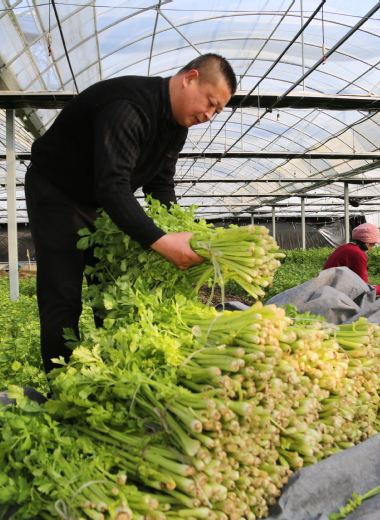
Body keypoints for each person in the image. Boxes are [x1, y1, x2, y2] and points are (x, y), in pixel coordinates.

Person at [25, 54, 237, 374]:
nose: (208, 115)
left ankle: (110, 375)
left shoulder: (176, 127)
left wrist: (184, 233)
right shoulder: (129, 107)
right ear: (190, 78)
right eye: (210, 103)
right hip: (58, 193)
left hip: (100, 203)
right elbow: (112, 185)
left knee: (111, 293)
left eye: (216, 111)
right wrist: (161, 241)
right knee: (63, 296)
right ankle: (61, 385)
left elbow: (160, 185)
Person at [322, 223, 380, 295]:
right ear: (367, 243)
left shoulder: (344, 247)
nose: (372, 247)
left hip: (326, 288)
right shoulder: (357, 253)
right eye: (373, 244)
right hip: (335, 293)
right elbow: (364, 288)